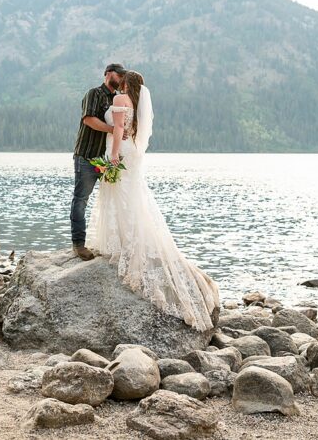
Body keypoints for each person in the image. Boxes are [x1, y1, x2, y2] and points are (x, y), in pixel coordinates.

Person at [87, 70, 220, 331]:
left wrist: (113, 155)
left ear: (124, 83)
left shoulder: (122, 100)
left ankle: (122, 244)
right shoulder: (136, 103)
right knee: (132, 197)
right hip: (134, 153)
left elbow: (117, 130)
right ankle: (132, 239)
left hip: (121, 152)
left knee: (121, 197)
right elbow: (131, 129)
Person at [69, 63, 126, 260]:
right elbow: (88, 119)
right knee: (81, 200)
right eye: (119, 75)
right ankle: (79, 244)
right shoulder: (94, 94)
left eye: (123, 76)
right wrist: (113, 130)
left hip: (108, 158)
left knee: (112, 200)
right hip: (87, 155)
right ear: (108, 74)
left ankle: (112, 241)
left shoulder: (118, 99)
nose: (121, 78)